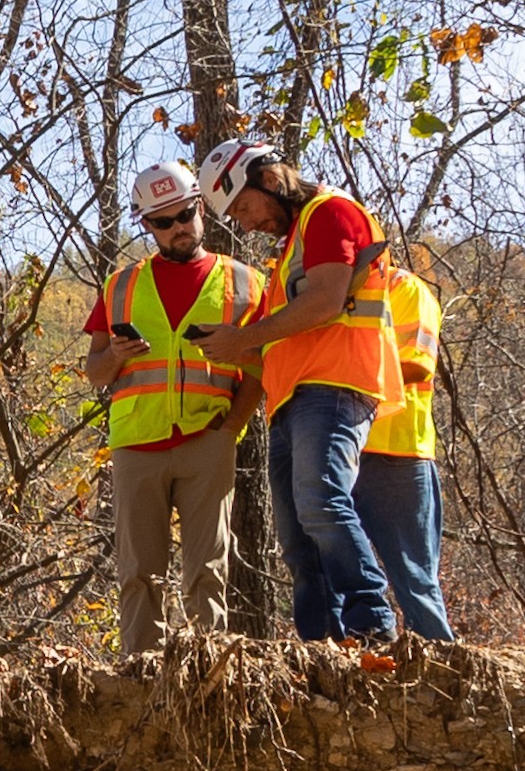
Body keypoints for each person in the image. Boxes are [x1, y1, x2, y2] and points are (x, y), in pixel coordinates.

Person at [204, 141, 399, 645]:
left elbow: (326, 302)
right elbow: (285, 343)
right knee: (296, 537)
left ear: (269, 179)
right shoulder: (292, 245)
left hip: (334, 386)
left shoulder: (330, 213)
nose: (246, 225)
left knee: (322, 503)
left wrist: (243, 337)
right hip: (291, 399)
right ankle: (319, 643)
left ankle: (372, 625)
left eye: (244, 208)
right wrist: (225, 348)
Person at [80, 164, 245, 653]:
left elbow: (259, 366)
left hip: (206, 440)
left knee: (208, 570)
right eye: (163, 221)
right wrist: (113, 357)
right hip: (137, 444)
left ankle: (206, 676)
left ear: (201, 209)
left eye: (186, 214)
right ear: (147, 226)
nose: (178, 228)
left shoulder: (243, 282)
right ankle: (140, 674)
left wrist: (230, 428)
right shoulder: (120, 286)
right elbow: (94, 372)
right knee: (137, 572)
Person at [358, 245, 455, 641]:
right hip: (347, 449)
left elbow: (418, 363)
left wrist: (344, 372)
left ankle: (444, 668)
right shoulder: (336, 296)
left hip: (399, 451)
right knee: (351, 574)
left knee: (414, 576)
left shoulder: (406, 289)